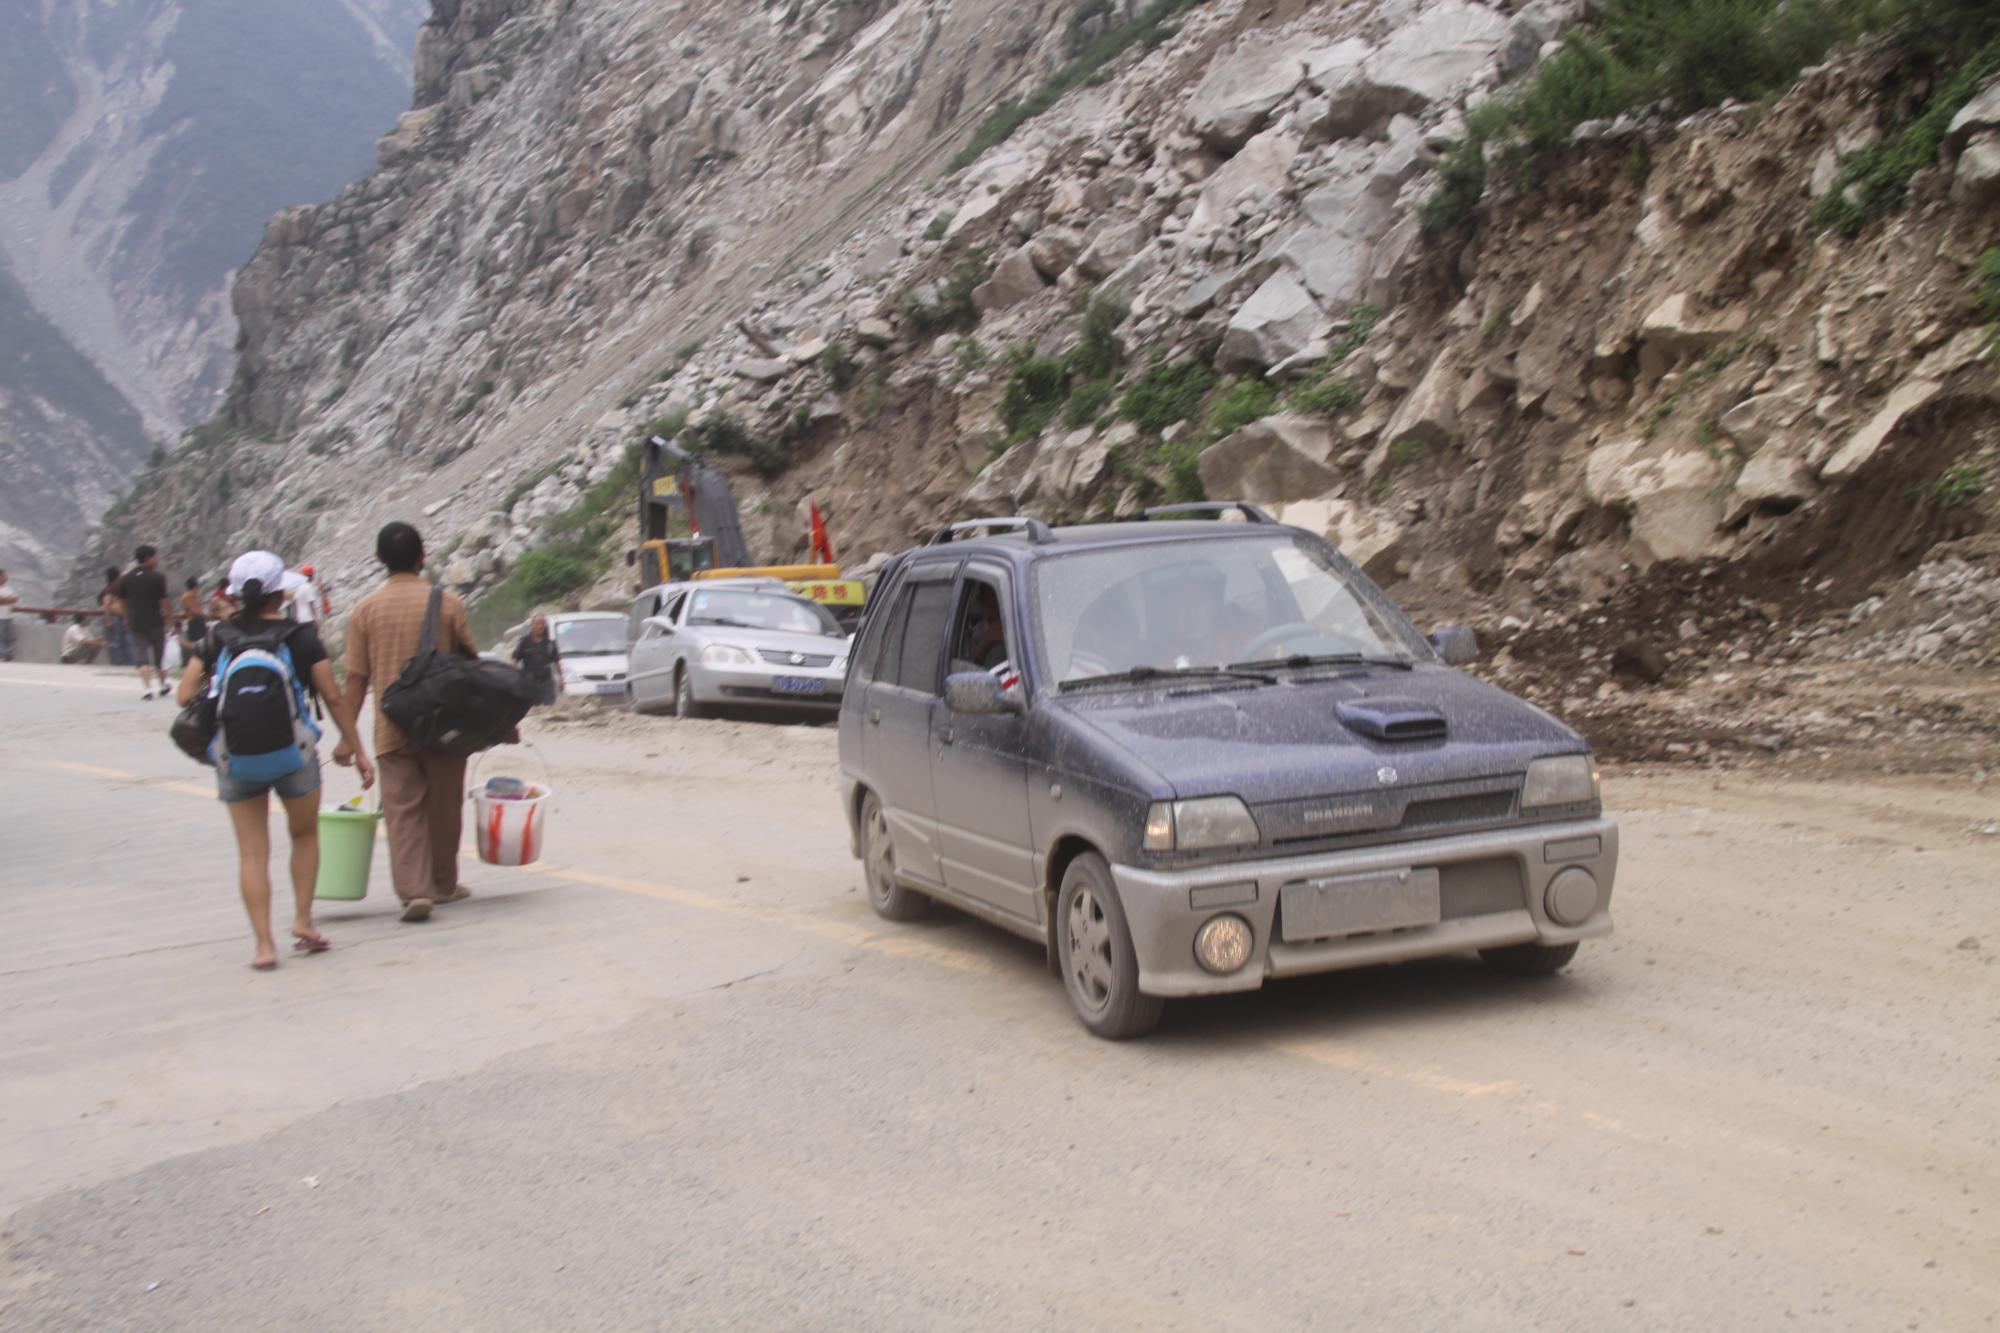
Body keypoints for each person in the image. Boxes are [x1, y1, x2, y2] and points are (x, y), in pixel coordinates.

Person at [177, 551, 375, 971]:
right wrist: (357, 750)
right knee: (304, 835)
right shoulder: (301, 637)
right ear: (281, 593)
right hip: (293, 755)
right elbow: (333, 696)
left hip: (236, 758)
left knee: (252, 854)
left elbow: (183, 694)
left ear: (233, 593)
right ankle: (302, 921)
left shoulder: (217, 636)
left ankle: (264, 946)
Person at [335, 521, 478, 923]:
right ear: (422, 555)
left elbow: (357, 681)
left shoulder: (366, 610)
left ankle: (415, 891)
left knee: (403, 811)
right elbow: (470, 666)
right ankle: (444, 883)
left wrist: (348, 740)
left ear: (380, 561)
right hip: (444, 727)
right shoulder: (447, 603)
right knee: (445, 807)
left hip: (391, 728)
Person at [117, 545, 172, 700]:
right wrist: (170, 619)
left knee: (142, 657)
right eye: (155, 557)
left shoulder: (126, 578)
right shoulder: (158, 577)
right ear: (148, 558)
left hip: (136, 623)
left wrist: (126, 617)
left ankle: (147, 689)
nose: (156, 560)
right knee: (159, 656)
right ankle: (162, 685)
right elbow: (165, 601)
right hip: (155, 621)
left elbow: (122, 601)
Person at [512, 614, 562, 705]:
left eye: (542, 624)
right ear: (532, 625)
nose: (540, 627)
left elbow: (557, 662)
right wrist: (513, 679)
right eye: (537, 624)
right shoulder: (524, 642)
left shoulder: (550, 643)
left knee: (550, 706)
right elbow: (515, 660)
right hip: (530, 681)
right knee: (532, 706)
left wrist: (562, 680)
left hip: (547, 681)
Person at [100, 568, 132, 667]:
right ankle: (119, 665)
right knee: (116, 643)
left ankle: (124, 664)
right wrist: (109, 620)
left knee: (123, 643)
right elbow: (106, 604)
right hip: (115, 619)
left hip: (120, 618)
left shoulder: (116, 589)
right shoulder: (110, 589)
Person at [0, 569, 17, 663]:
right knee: (1, 637)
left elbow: (15, 599)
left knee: (11, 637)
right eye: (3, 575)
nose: (6, 577)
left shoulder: (8, 589)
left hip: (9, 617)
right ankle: (2, 654)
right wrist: (7, 600)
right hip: (0, 617)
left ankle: (9, 655)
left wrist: (4, 600)